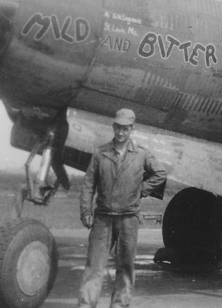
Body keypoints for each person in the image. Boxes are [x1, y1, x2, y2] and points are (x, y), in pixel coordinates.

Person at [78, 108, 167, 308]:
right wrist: (85, 211)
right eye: (118, 127)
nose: (121, 132)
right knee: (95, 265)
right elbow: (88, 185)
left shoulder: (141, 154)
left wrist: (142, 190)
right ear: (113, 127)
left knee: (125, 266)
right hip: (102, 218)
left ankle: (119, 304)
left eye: (125, 128)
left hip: (129, 219)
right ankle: (85, 304)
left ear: (131, 130)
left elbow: (161, 173)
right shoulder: (100, 153)